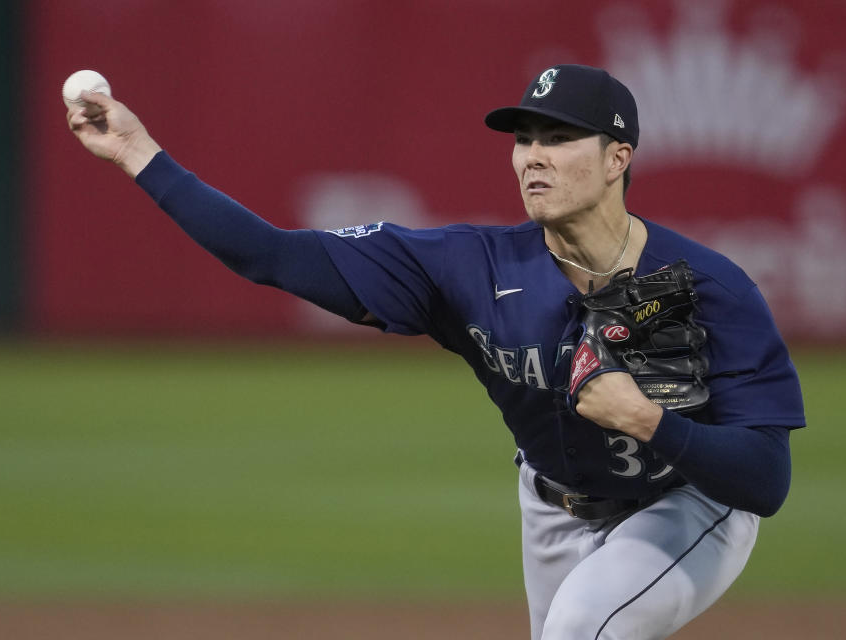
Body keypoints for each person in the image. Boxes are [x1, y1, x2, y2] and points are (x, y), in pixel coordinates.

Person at [67, 64, 805, 640]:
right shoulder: (469, 267)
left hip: (686, 498)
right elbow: (271, 257)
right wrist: (137, 151)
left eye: (557, 138)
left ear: (618, 158)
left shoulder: (711, 287)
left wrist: (650, 422)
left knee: (584, 626)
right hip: (549, 505)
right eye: (524, 139)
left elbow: (766, 480)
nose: (531, 158)